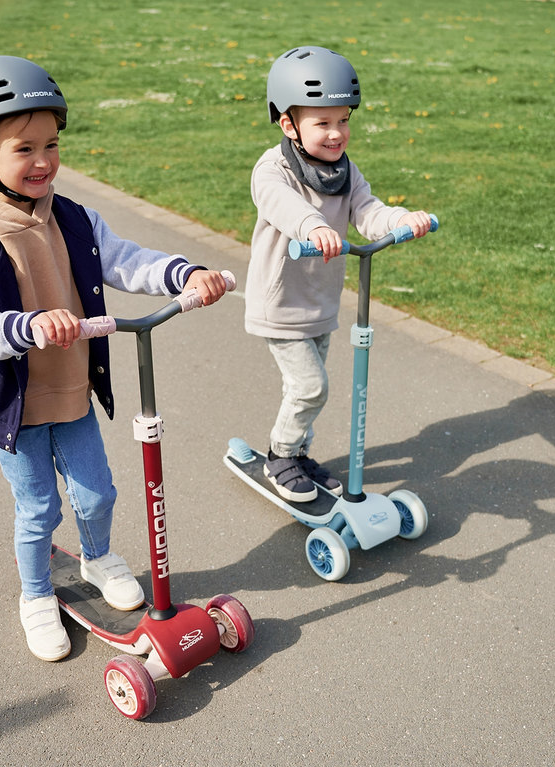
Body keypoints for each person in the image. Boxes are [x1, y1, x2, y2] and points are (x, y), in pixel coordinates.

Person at [0, 56, 228, 661]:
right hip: (13, 399)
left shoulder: (72, 217)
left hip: (68, 385)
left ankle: (97, 558)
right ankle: (37, 595)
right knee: (38, 504)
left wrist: (185, 273)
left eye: (52, 144)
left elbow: (126, 260)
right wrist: (27, 325)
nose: (44, 161)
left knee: (97, 493)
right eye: (24, 148)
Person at [245, 46, 432, 503]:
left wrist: (402, 220)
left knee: (307, 389)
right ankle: (280, 454)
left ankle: (300, 453)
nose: (336, 134)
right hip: (282, 303)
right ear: (288, 124)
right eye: (322, 123)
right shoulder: (273, 169)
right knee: (311, 387)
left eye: (343, 120)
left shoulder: (345, 171)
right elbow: (280, 204)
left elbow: (368, 211)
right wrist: (312, 225)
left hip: (321, 302)